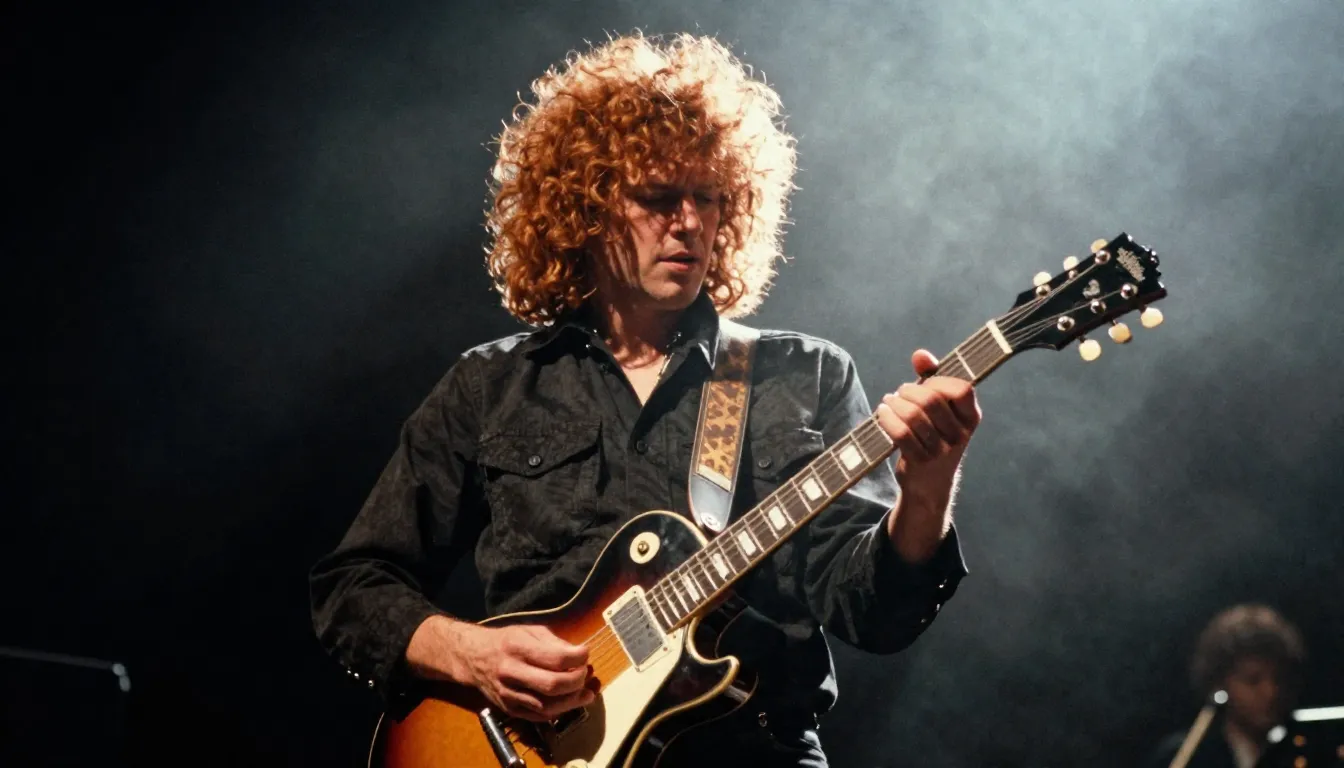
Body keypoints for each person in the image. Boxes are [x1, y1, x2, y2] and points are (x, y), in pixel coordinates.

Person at [309, 32, 978, 767]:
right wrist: (472, 654)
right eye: (658, 198)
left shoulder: (803, 373)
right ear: (585, 210)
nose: (689, 221)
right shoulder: (489, 385)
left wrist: (928, 489)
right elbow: (353, 588)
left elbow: (876, 617)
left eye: (708, 198)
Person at [1145, 604, 1307, 768]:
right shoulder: (1186, 756)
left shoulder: (1302, 752)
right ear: (1219, 682)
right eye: (1252, 680)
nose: (1271, 692)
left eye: (1279, 679)